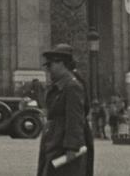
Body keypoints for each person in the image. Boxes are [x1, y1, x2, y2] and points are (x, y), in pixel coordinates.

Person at [37, 44, 88, 176]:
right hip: (54, 141)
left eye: (50, 65)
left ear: (62, 63)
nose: (48, 70)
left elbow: (75, 118)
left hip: (63, 144)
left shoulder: (72, 86)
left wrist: (72, 147)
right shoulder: (59, 86)